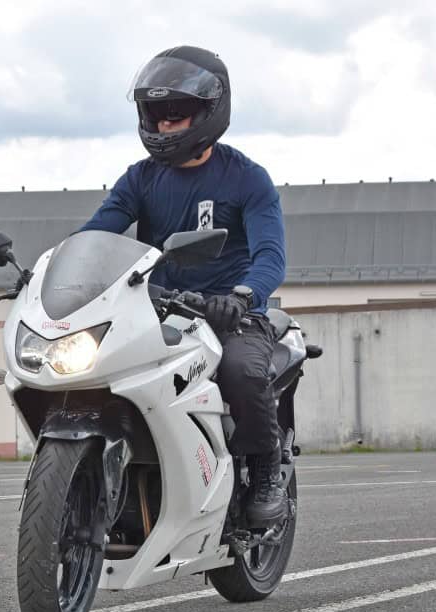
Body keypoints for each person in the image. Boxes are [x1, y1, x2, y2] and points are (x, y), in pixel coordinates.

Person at [80, 46, 288, 525]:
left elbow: (270, 256)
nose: (165, 127)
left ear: (209, 114)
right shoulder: (139, 179)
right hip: (158, 310)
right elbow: (96, 234)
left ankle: (264, 467)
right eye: (157, 116)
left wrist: (242, 296)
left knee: (242, 371)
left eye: (177, 116)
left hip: (231, 316)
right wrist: (60, 268)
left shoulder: (247, 179)